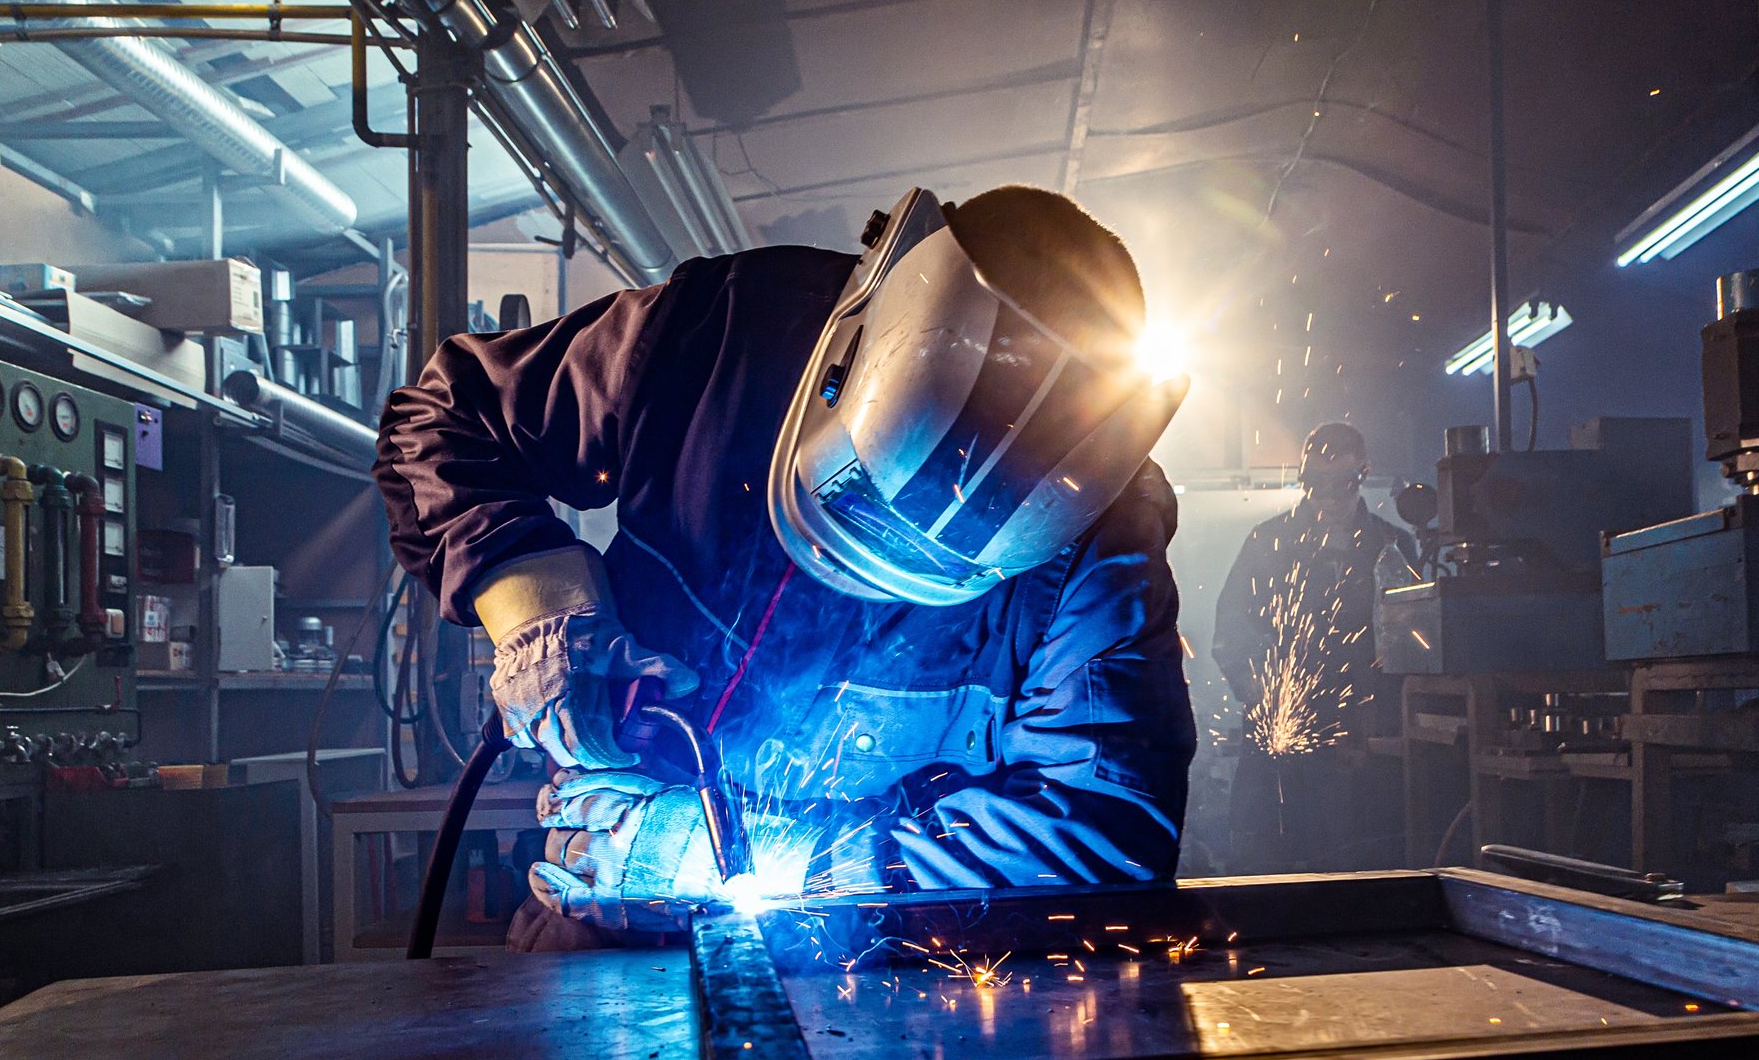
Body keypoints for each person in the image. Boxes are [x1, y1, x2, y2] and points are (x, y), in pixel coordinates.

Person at [374, 185, 1196, 950]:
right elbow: (447, 420)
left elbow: (1102, 832)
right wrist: (541, 609)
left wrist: (774, 866)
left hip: (886, 966)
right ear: (855, 353)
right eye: (870, 503)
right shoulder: (719, 337)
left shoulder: (1103, 522)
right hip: (600, 908)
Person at [1210, 422, 1393, 872]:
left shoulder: (1389, 546)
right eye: (1315, 483)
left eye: (1341, 484)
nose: (1326, 497)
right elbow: (1231, 628)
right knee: (1265, 857)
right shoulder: (1267, 541)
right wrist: (1256, 689)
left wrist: (1381, 711)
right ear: (1302, 478)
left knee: (1358, 857)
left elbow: (1409, 640)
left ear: (1363, 474)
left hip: (1361, 730)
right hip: (1277, 724)